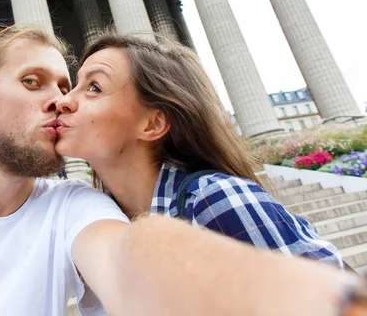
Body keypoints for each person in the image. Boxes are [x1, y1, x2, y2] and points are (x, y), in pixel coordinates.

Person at [0, 24, 362, 316]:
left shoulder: (77, 206)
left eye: (71, 85)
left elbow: (137, 259)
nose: (61, 100)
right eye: (34, 83)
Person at [55, 32, 342, 266]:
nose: (63, 101)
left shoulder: (217, 200)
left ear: (153, 124)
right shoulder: (104, 219)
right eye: (75, 84)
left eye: (94, 87)